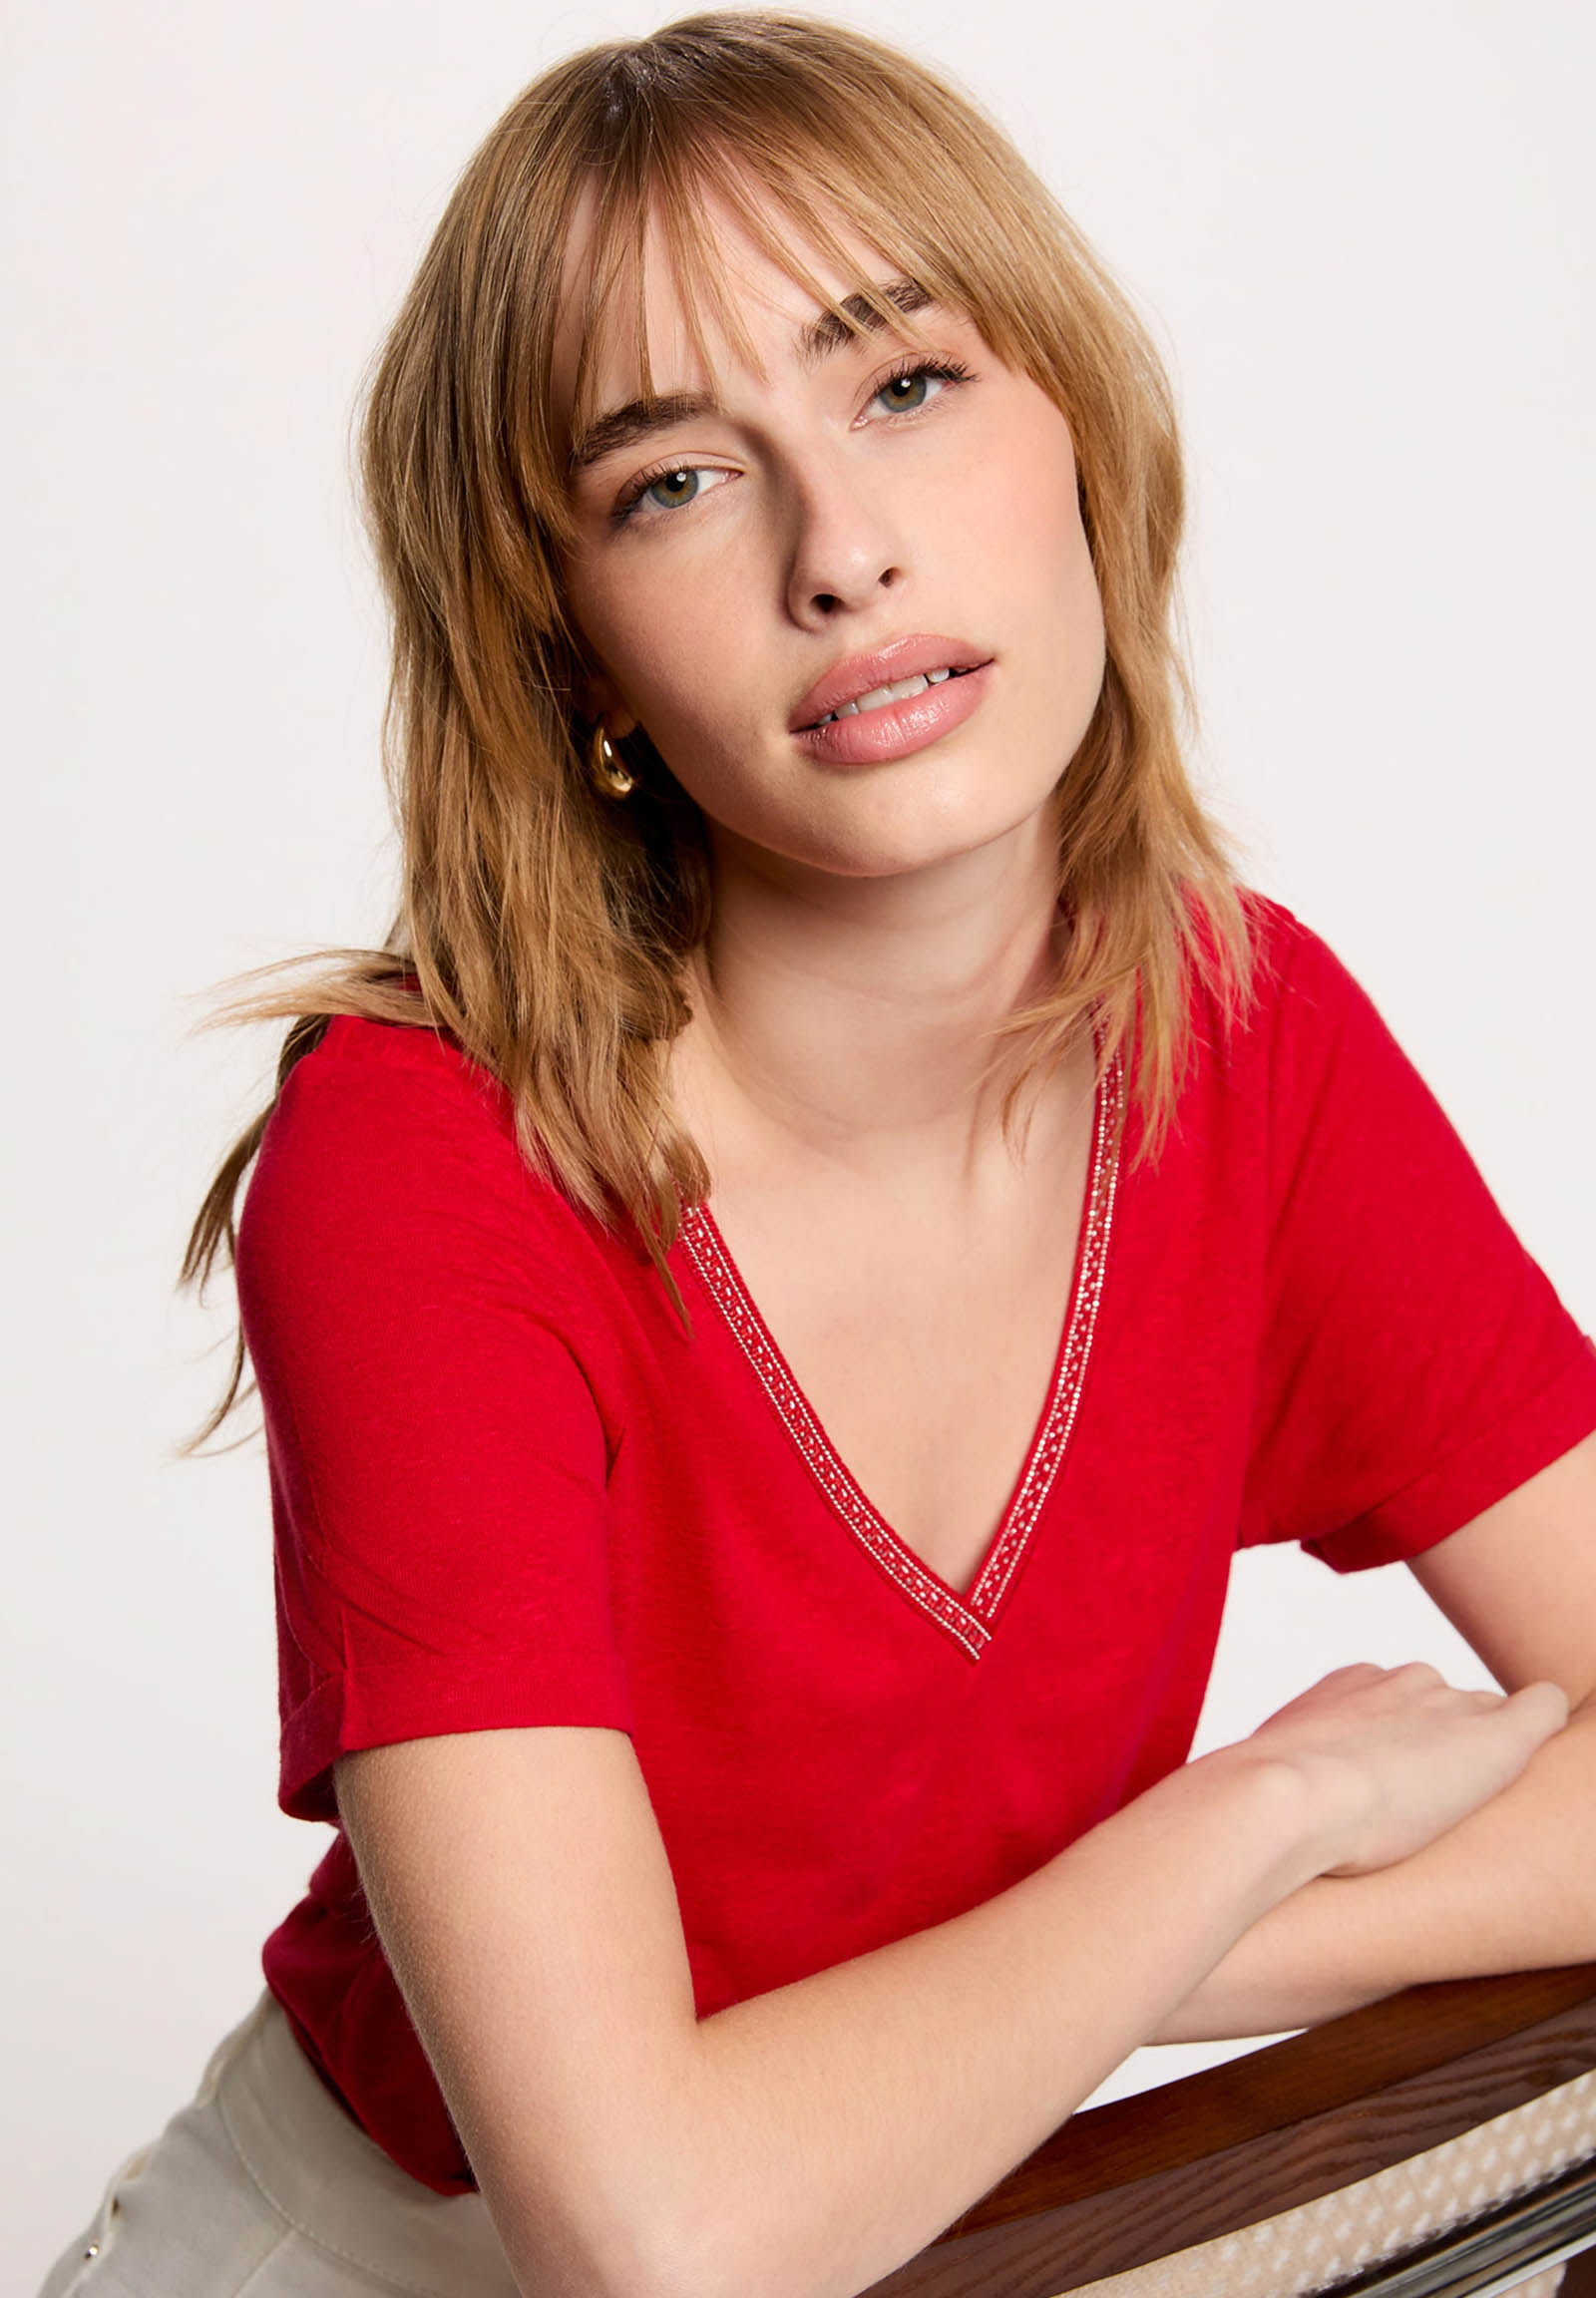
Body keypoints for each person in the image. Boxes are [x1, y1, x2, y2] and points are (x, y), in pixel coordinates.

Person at [38, 12, 1596, 2297]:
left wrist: (1112, 1964)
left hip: (949, 2229)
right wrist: (1248, 1815)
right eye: (671, 480)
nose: (842, 553)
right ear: (570, 650)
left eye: (904, 383)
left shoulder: (1236, 1038)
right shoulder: (421, 1164)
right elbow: (651, 2230)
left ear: (1080, 431)